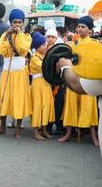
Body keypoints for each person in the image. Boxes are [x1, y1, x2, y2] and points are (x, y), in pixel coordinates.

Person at [57, 16, 99, 147]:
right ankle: (68, 133)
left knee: (88, 107)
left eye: (83, 27)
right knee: (71, 105)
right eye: (79, 26)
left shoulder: (95, 45)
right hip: (73, 77)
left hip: (88, 79)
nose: (80, 29)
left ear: (90, 30)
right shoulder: (71, 44)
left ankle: (93, 136)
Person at [0, 9, 32, 139]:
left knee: (18, 99)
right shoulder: (6, 34)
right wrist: (6, 36)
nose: (16, 25)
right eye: (14, 22)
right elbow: (0, 50)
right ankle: (2, 126)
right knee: (4, 97)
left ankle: (18, 129)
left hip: (20, 72)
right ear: (10, 23)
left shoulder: (26, 36)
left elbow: (23, 49)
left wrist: (19, 34)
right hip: (7, 71)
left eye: (19, 22)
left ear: (22, 23)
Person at [29, 32, 55, 140]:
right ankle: (35, 130)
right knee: (38, 106)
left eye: (45, 44)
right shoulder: (35, 58)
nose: (46, 46)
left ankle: (44, 130)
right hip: (38, 85)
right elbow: (44, 67)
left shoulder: (44, 56)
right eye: (43, 45)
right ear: (37, 47)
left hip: (46, 84)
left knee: (46, 106)